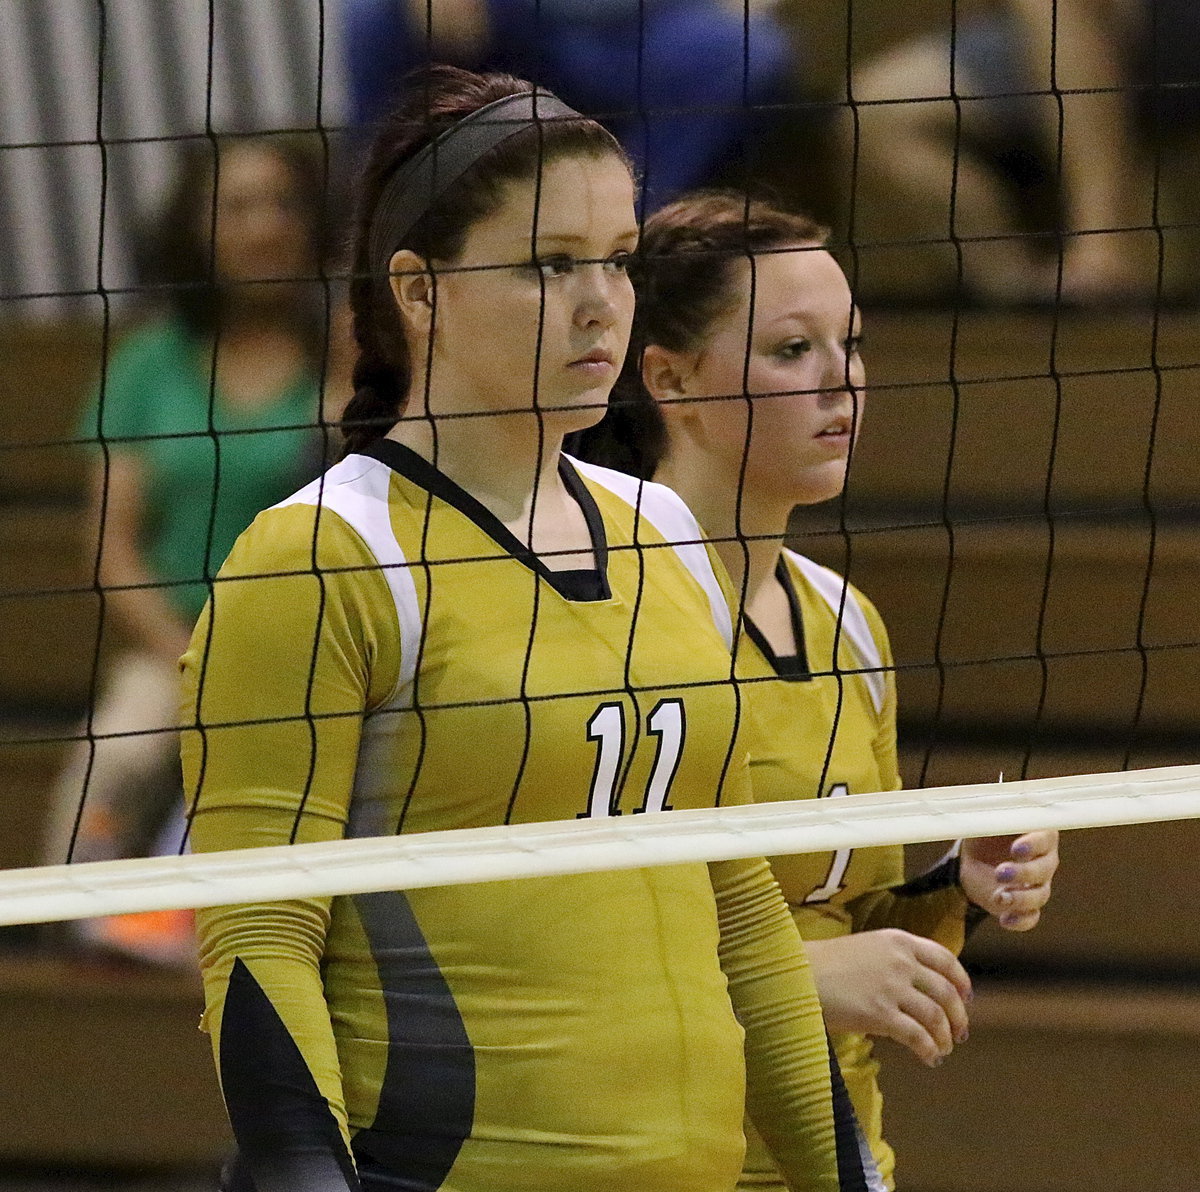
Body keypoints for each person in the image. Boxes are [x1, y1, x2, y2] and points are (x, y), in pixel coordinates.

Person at [180, 68, 880, 1192]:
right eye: (552, 264)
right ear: (420, 291)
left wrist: (846, 1180)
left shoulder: (663, 532)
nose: (604, 299)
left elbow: (743, 912)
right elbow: (262, 939)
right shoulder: (326, 555)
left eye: (616, 257)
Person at [570, 190, 1060, 1188]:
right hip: (652, 1159)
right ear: (670, 379)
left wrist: (956, 885)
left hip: (836, 1159)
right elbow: (553, 967)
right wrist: (794, 977)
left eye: (853, 344)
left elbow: (857, 911)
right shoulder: (602, 619)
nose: (843, 382)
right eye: (793, 350)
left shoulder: (847, 623)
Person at [44, 133, 336, 964]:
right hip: (175, 645)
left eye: (283, 203)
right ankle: (82, 943)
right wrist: (187, 655)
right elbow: (112, 549)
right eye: (237, 206)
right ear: (196, 227)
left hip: (318, 646)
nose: (264, 226)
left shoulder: (346, 355)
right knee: (124, 750)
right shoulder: (148, 363)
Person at [343, 0, 796, 207]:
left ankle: (621, 223)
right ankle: (370, 245)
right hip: (507, 17)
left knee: (748, 50)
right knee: (369, 18)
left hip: (644, 25)